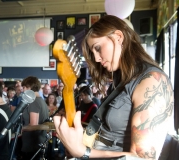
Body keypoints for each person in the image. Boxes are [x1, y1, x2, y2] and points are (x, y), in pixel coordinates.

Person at [53, 15, 174, 160]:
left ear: (118, 37)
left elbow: (143, 158)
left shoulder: (152, 81)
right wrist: (76, 142)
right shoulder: (122, 80)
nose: (97, 58)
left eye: (98, 48)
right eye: (93, 53)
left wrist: (83, 152)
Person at [20, 76, 49, 160]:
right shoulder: (41, 100)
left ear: (30, 87)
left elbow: (33, 125)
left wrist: (20, 129)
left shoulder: (34, 101)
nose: (23, 90)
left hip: (32, 144)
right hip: (38, 142)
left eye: (24, 87)